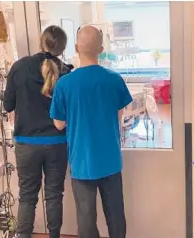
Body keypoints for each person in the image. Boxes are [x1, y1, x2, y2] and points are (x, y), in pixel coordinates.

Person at [50, 24, 132, 238]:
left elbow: (58, 123)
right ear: (102, 49)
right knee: (115, 215)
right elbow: (119, 115)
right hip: (111, 159)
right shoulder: (114, 80)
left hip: (82, 161)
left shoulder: (64, 84)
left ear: (76, 48)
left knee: (85, 219)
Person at [3, 25, 73, 238]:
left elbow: (8, 105)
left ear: (41, 41)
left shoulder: (19, 67)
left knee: (27, 196)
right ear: (63, 47)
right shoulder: (66, 73)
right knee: (54, 195)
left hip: (27, 143)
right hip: (57, 143)